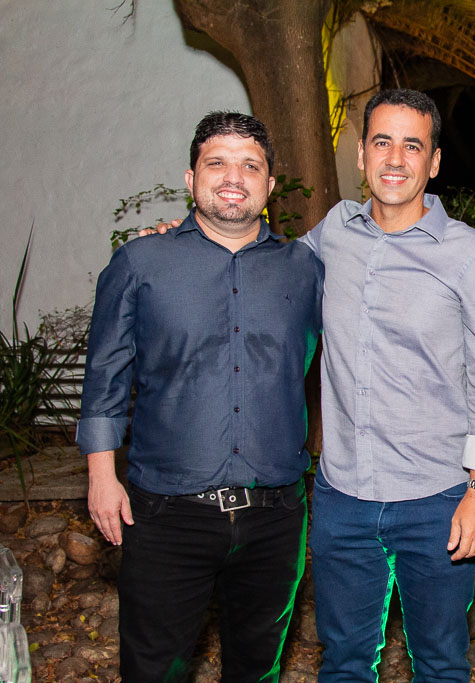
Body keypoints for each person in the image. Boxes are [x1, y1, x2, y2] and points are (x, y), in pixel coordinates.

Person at [77, 112, 323, 681]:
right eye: (217, 163)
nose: (233, 177)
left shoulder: (305, 270)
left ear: (269, 184)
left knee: (257, 669)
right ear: (191, 179)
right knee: (153, 670)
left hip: (276, 516)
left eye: (250, 166)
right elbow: (105, 375)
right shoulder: (141, 263)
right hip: (166, 517)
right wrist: (101, 475)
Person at [301, 89, 475, 682]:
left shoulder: (471, 254)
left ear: (434, 161)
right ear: (362, 156)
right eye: (382, 142)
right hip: (343, 496)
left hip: (437, 499)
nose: (395, 159)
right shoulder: (333, 232)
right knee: (343, 663)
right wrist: (189, 239)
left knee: (441, 664)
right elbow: (265, 271)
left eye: (412, 146)